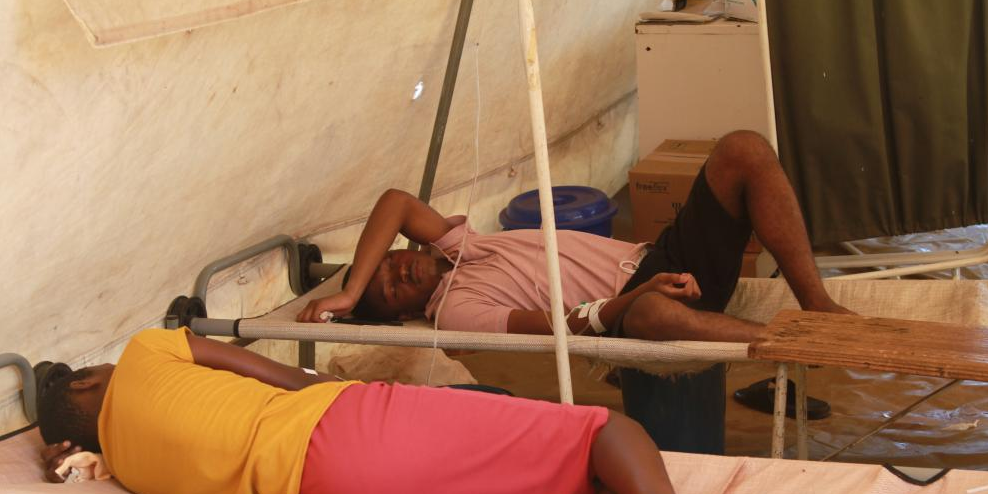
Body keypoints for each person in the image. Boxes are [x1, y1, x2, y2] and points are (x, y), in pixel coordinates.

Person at [37, 327, 782, 494]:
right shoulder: (145, 351)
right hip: (346, 428)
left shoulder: (124, 467)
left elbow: (83, 460)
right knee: (593, 430)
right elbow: (266, 371)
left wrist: (77, 455)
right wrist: (333, 386)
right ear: (88, 380)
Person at [295, 130, 848, 342]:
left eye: (390, 263)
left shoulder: (457, 244)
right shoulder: (456, 310)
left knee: (742, 150)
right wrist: (639, 294)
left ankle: (817, 307)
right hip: (630, 305)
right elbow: (559, 326)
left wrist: (349, 290)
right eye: (392, 289)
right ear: (406, 313)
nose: (399, 271)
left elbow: (395, 201)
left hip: (661, 257)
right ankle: (786, 340)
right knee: (652, 316)